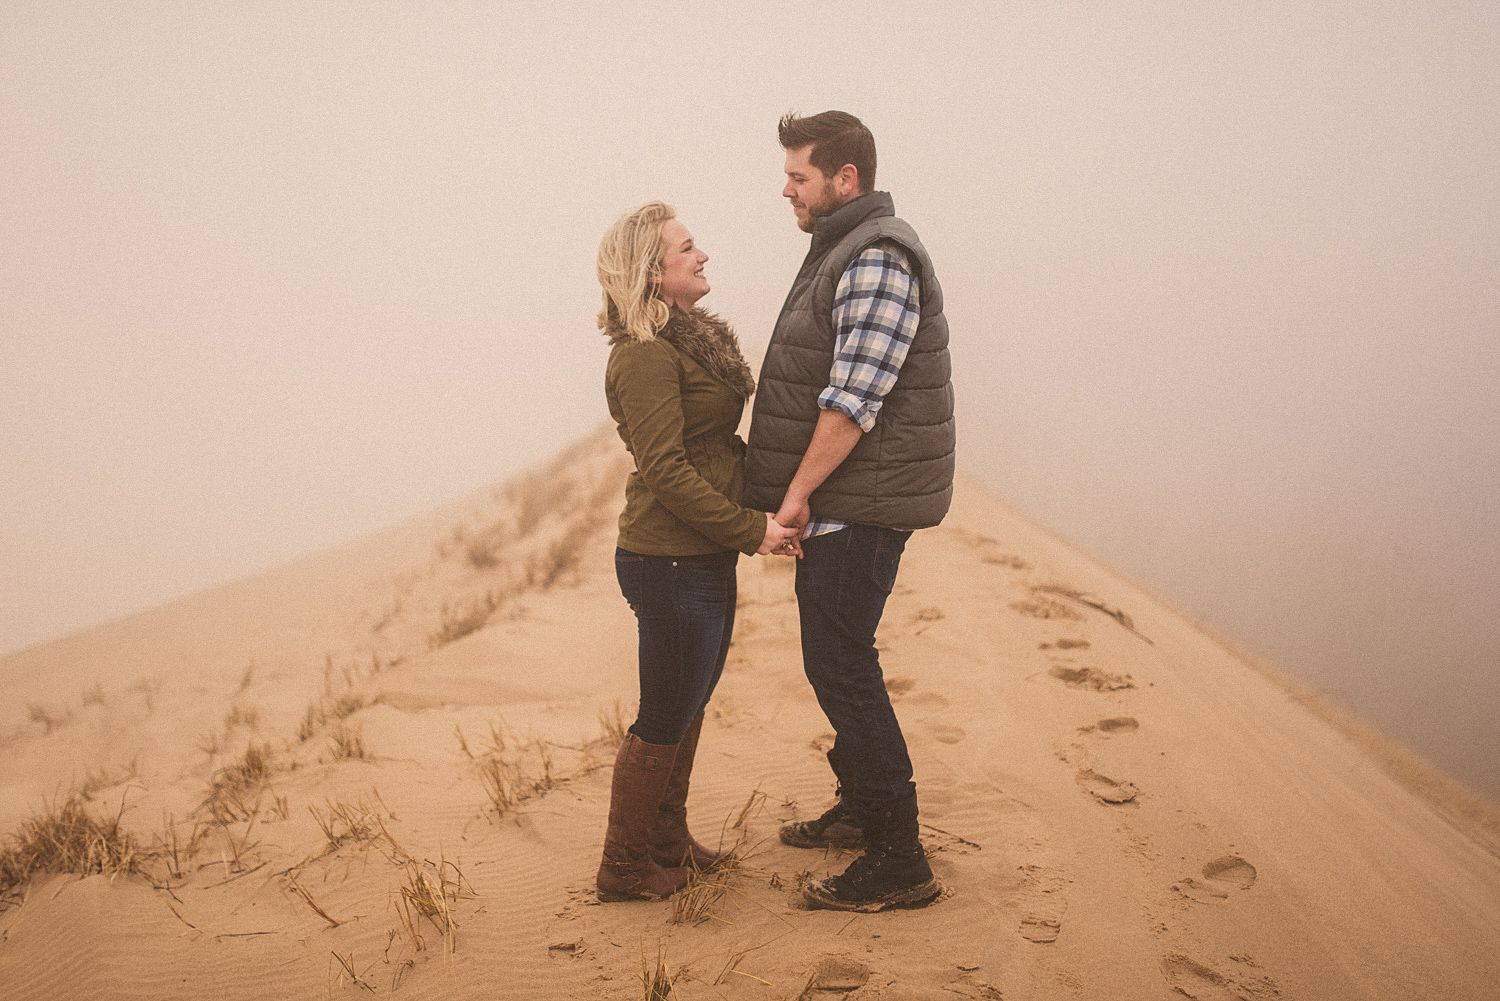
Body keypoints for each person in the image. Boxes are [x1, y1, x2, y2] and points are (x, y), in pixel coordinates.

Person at [744, 111, 956, 911]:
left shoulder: (876, 256)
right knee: (835, 657)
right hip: (850, 498)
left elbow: (853, 399)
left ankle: (900, 856)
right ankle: (865, 808)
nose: (786, 189)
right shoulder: (841, 249)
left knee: (842, 664)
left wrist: (796, 494)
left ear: (845, 180)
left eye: (798, 175)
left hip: (859, 502)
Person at [595, 201, 802, 902]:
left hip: (698, 554)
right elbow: (667, 470)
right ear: (653, 273)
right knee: (663, 713)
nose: (702, 255)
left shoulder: (681, 343)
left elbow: (709, 451)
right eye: (688, 248)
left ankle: (666, 841)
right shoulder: (645, 356)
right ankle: (624, 867)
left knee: (688, 700)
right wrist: (753, 529)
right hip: (667, 558)